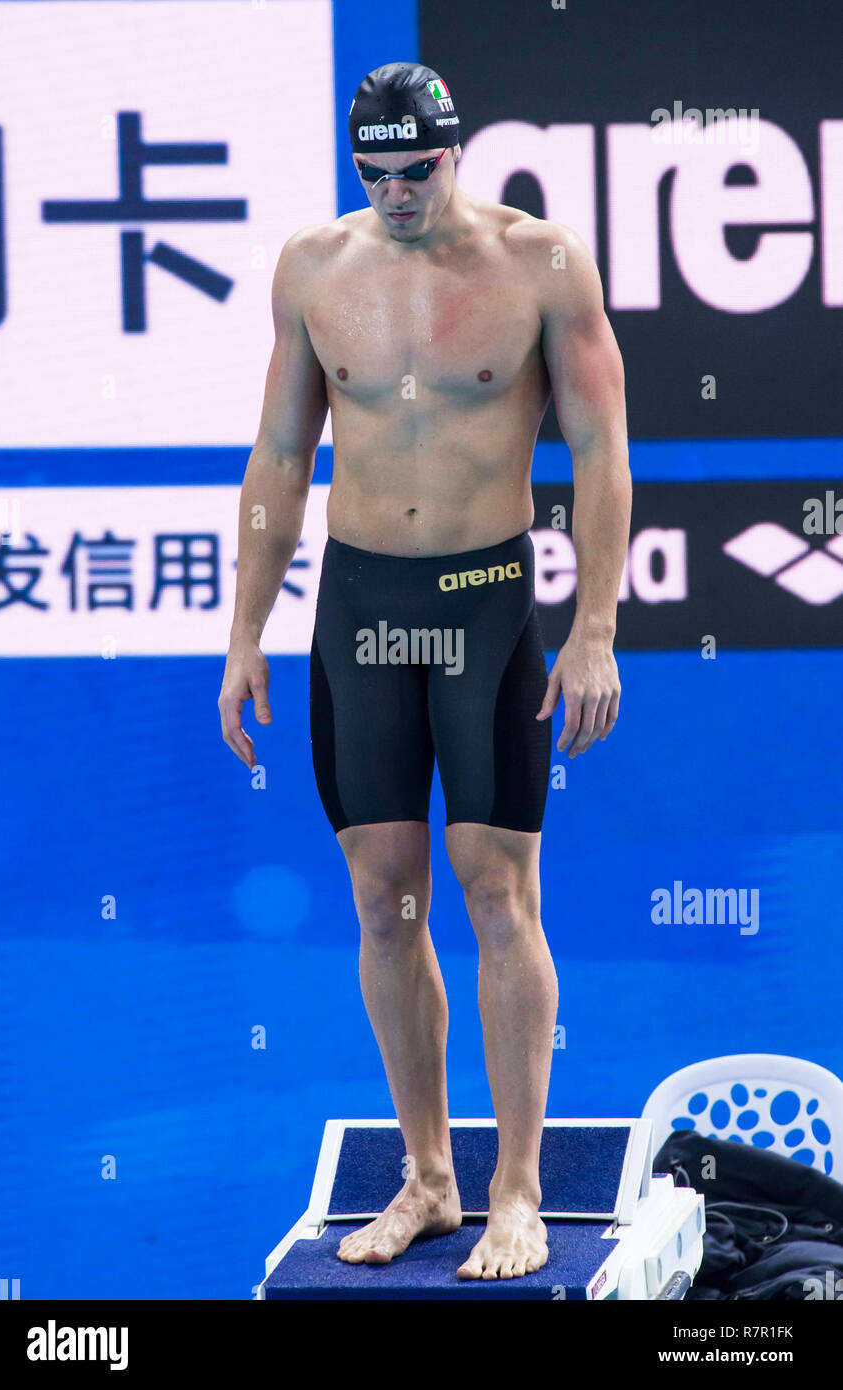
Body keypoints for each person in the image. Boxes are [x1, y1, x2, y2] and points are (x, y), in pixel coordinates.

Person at [218, 61, 631, 1281]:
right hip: (362, 607)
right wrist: (245, 632)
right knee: (381, 901)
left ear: (456, 153)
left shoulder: (539, 266)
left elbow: (603, 450)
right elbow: (281, 456)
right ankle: (430, 1176)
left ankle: (515, 1186)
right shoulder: (311, 269)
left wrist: (595, 623)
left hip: (480, 607)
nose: (395, 193)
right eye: (374, 173)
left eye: (417, 169)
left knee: (497, 894)